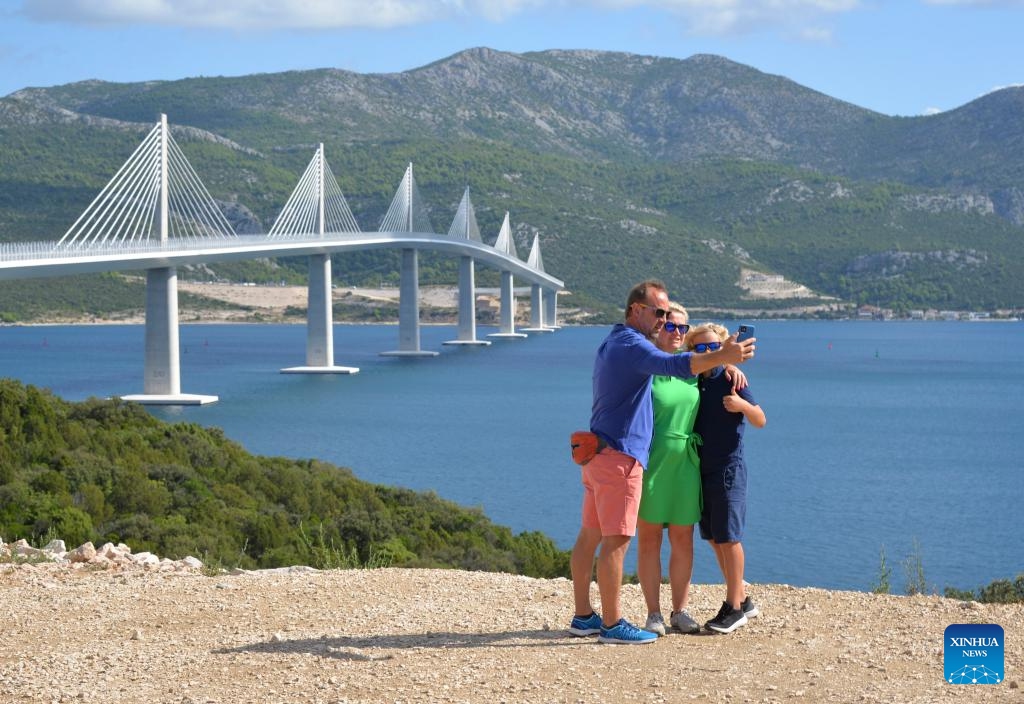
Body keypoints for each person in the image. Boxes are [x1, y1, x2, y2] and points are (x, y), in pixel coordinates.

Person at [568, 281, 755, 645]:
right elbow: (675, 363)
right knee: (617, 541)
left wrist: (725, 366)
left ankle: (583, 616)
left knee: (590, 535)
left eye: (670, 316)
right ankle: (611, 623)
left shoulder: (614, 341)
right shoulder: (632, 345)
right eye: (659, 313)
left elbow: (688, 369)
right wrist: (724, 355)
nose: (664, 320)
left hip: (600, 454)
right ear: (635, 310)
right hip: (621, 457)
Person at [687, 322, 767, 634]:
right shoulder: (694, 381)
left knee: (729, 536)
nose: (708, 353)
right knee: (712, 535)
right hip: (701, 468)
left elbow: (760, 419)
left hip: (728, 468)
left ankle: (734, 608)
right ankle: (743, 599)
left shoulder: (732, 379)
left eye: (713, 347)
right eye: (701, 349)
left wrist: (741, 405)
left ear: (723, 348)